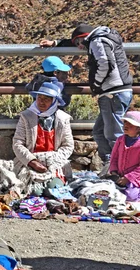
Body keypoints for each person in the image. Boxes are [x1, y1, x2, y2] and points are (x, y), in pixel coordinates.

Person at [41, 24, 132, 172]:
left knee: (113, 135)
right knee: (99, 131)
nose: (78, 48)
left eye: (78, 43)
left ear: (84, 38)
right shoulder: (106, 37)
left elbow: (105, 64)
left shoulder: (97, 41)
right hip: (116, 91)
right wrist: (56, 43)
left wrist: (96, 83)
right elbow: (78, 42)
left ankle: (122, 169)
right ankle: (110, 166)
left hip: (112, 92)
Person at [13, 82, 74, 196]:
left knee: (53, 191)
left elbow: (68, 145)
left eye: (46, 99)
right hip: (30, 163)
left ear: (54, 102)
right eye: (39, 98)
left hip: (54, 164)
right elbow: (18, 143)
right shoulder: (26, 117)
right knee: (35, 192)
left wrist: (52, 162)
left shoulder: (63, 119)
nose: (41, 102)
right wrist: (32, 161)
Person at [107, 111, 140, 202]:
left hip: (135, 178)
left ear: (138, 128)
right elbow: (114, 157)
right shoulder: (120, 140)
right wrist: (114, 171)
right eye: (125, 122)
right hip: (119, 176)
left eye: (131, 124)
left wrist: (128, 177)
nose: (126, 125)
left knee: (130, 197)